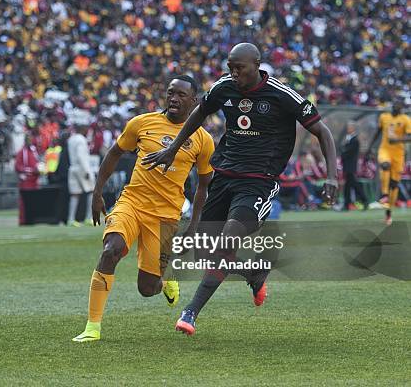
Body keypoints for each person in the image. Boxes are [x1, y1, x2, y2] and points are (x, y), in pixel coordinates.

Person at [143, 43, 338, 336]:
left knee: (226, 243)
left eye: (239, 68)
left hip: (258, 182)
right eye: (230, 67)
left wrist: (332, 177)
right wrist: (172, 147)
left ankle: (190, 312)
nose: (234, 73)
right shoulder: (225, 87)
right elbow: (200, 112)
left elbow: (322, 131)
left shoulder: (281, 94)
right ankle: (253, 272)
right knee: (204, 253)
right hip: (224, 178)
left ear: (257, 65)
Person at [73, 75, 216, 342]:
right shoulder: (142, 123)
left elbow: (204, 187)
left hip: (165, 216)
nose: (174, 98)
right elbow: (115, 152)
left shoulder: (202, 139)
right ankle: (93, 327)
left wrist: (194, 227)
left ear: (194, 102)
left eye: (181, 95)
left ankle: (164, 281)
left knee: (146, 288)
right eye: (171, 92)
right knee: (110, 250)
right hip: (132, 203)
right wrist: (97, 192)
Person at [367, 101, 410, 225]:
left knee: (394, 185)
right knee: (385, 165)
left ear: (402, 109)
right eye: (394, 106)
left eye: (398, 107)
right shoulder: (384, 117)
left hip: (398, 154)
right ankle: (384, 194)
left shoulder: (406, 120)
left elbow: (409, 136)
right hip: (384, 150)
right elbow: (378, 131)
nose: (396, 109)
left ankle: (388, 213)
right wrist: (370, 146)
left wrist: (397, 139)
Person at [67, 124, 95, 227]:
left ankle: (71, 219)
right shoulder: (81, 140)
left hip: (72, 167)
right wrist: (87, 171)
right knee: (91, 190)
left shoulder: (71, 139)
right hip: (81, 168)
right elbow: (81, 156)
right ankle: (89, 217)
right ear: (82, 129)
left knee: (75, 194)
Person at [341, 121, 368, 210]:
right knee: (348, 185)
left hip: (350, 166)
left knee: (353, 184)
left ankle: (364, 200)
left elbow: (348, 152)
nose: (348, 129)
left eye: (349, 127)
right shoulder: (349, 138)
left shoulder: (355, 140)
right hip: (347, 166)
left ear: (353, 128)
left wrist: (343, 152)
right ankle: (347, 204)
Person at [15, 134, 40, 225]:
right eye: (28, 140)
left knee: (34, 201)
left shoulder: (34, 151)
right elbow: (18, 166)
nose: (30, 141)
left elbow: (37, 162)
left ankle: (33, 219)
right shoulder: (21, 152)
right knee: (24, 202)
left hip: (34, 181)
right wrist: (31, 170)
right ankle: (23, 221)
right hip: (26, 181)